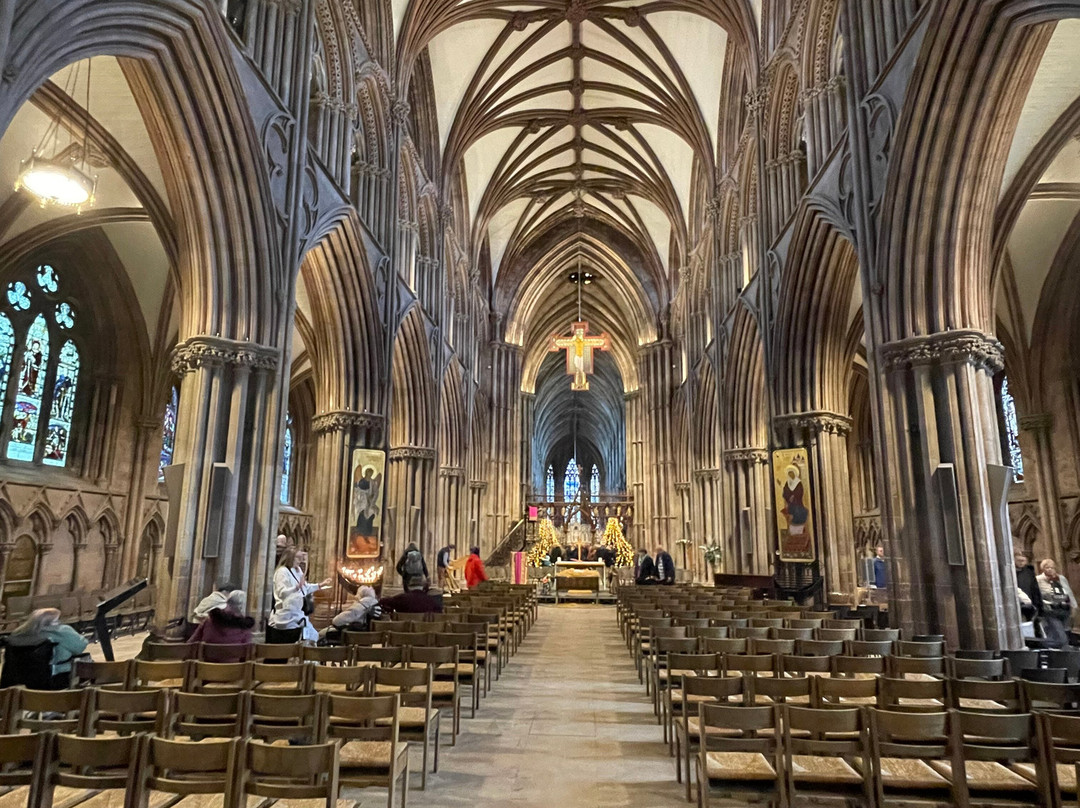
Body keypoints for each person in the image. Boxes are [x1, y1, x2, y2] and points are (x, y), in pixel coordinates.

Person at [7, 608, 88, 689]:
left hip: (20, 680)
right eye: (57, 620)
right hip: (56, 680)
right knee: (86, 662)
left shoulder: (17, 633)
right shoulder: (62, 631)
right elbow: (80, 647)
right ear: (51, 622)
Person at [270, 547, 328, 643]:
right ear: (290, 557)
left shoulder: (297, 570)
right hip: (286, 615)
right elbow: (281, 593)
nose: (300, 561)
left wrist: (320, 585)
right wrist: (296, 587)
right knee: (300, 640)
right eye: (298, 557)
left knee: (313, 638)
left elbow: (305, 588)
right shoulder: (282, 572)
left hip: (298, 613)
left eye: (301, 558)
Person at [187, 590, 254, 650]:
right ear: (242, 607)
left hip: (207, 659)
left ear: (227, 602)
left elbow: (190, 643)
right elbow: (248, 650)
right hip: (235, 660)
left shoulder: (209, 621)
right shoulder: (244, 627)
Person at [1038, 558, 1079, 647]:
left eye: (1052, 567)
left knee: (1065, 633)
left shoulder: (1061, 578)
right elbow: (1037, 595)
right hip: (1051, 611)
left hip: (1064, 610)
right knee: (1061, 636)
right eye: (1047, 567)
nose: (1050, 569)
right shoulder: (1039, 580)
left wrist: (1074, 606)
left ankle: (1061, 651)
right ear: (1043, 569)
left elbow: (1069, 592)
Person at [379, 576, 443, 614]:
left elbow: (382, 601)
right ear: (423, 587)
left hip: (403, 631)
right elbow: (439, 611)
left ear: (409, 587)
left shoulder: (401, 598)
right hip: (425, 631)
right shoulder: (431, 601)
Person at [1014, 550, 1043, 620]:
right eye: (1019, 560)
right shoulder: (1010, 572)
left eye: (1023, 561)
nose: (1021, 563)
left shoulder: (1029, 572)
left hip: (1029, 606)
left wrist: (1039, 608)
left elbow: (1035, 590)